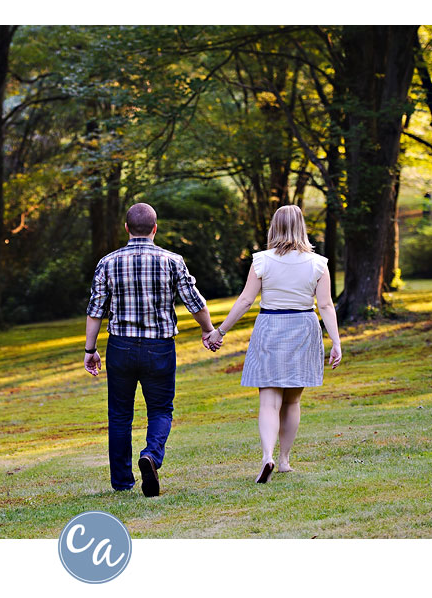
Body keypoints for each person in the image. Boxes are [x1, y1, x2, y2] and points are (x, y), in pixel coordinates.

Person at [84, 203, 217, 497]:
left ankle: (122, 481)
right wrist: (208, 329)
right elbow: (194, 302)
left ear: (127, 228)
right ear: (155, 229)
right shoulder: (172, 261)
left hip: (120, 346)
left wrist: (90, 349)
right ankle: (152, 456)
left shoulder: (108, 262)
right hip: (160, 347)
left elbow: (95, 310)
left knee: (120, 414)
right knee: (160, 409)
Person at [207, 205, 342, 484]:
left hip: (271, 327)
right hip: (304, 327)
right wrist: (336, 342)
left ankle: (267, 455)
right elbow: (326, 305)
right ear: (302, 227)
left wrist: (219, 331)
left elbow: (245, 301)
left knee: (269, 402)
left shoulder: (261, 261)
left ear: (274, 227)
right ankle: (283, 461)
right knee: (292, 401)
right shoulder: (319, 263)